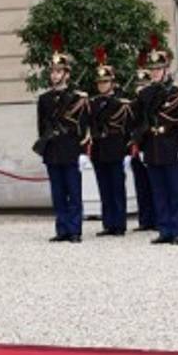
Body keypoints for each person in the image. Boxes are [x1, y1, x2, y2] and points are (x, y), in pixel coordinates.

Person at [133, 38, 178, 245]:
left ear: (167, 69)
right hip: (152, 147)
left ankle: (177, 232)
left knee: (175, 192)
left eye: (159, 68)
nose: (156, 72)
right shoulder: (145, 94)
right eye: (153, 69)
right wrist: (140, 146)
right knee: (158, 192)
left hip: (171, 146)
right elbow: (140, 122)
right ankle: (164, 229)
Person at [34, 35, 91, 243]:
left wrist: (84, 153)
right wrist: (45, 147)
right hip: (53, 151)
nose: (55, 75)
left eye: (59, 71)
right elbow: (41, 126)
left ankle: (75, 230)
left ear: (67, 74)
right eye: (53, 71)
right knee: (58, 194)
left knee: (74, 193)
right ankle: (62, 229)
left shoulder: (78, 98)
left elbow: (84, 127)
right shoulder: (44, 99)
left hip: (71, 149)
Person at [87, 47, 131, 237]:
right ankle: (108, 223)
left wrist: (129, 152)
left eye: (105, 81)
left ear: (112, 82)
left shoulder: (122, 103)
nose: (102, 85)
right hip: (99, 149)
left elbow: (128, 129)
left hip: (116, 148)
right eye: (100, 82)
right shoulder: (93, 102)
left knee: (117, 188)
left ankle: (119, 224)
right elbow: (90, 125)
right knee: (104, 189)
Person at [128, 51, 157, 232]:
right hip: (136, 148)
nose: (140, 88)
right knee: (141, 185)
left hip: (150, 146)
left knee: (154, 184)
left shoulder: (150, 103)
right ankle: (145, 220)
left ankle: (157, 218)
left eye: (143, 85)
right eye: (138, 85)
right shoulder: (132, 105)